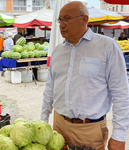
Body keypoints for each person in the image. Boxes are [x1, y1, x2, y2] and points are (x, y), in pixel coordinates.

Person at [41, 1, 129, 150]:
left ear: (84, 20)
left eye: (67, 19)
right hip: (59, 126)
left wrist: (119, 136)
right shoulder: (57, 51)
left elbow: (121, 93)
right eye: (60, 20)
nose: (62, 24)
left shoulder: (107, 47)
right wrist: (43, 121)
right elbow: (50, 88)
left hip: (89, 130)